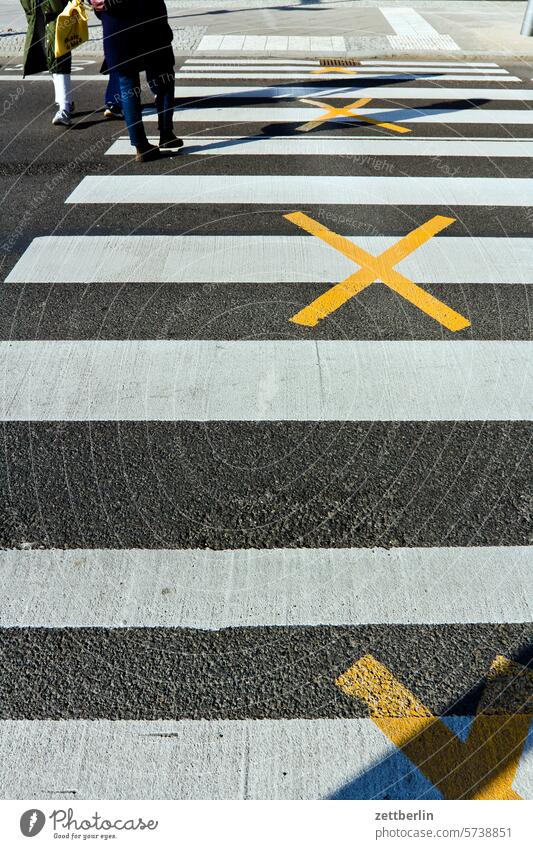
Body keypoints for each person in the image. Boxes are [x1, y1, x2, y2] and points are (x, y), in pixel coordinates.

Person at [91, 0, 182, 161]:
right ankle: (166, 132)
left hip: (116, 23)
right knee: (165, 76)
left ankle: (140, 145)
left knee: (128, 83)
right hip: (149, 20)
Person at [19, 0, 74, 126]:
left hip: (56, 13)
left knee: (58, 56)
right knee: (49, 56)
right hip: (37, 12)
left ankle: (64, 108)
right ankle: (65, 102)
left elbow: (58, 5)